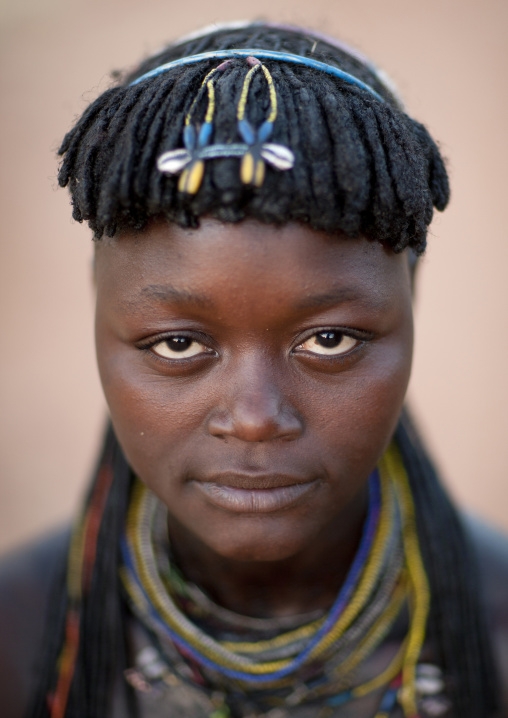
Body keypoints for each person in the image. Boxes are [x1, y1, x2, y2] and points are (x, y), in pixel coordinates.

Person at [0, 21, 507, 718]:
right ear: (101, 315)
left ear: (410, 306)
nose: (256, 417)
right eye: (179, 345)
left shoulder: (496, 629)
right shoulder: (16, 634)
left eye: (329, 339)